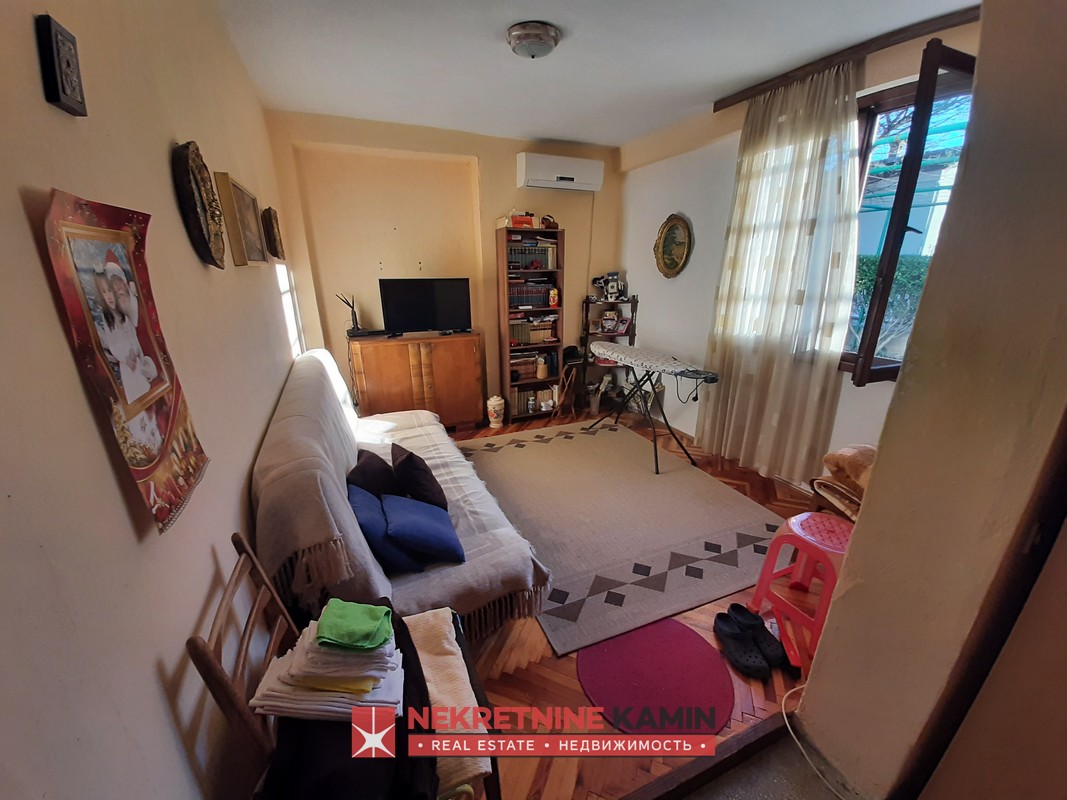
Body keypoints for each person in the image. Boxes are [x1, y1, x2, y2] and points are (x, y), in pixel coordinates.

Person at [97, 252, 157, 404]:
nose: (118, 289)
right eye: (113, 285)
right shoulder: (116, 317)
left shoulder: (142, 308)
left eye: (119, 282)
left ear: (125, 283)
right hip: (132, 371)